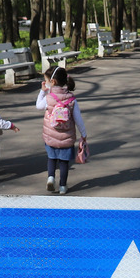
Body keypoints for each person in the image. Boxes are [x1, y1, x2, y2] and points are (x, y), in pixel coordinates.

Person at [36, 66, 87, 195]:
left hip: (50, 136)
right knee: (64, 163)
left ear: (52, 82)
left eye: (46, 80)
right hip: (67, 138)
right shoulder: (72, 99)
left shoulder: (49, 98)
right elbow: (78, 119)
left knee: (52, 159)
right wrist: (84, 134)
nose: (45, 82)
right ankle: (63, 186)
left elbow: (38, 106)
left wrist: (42, 92)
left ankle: (51, 178)